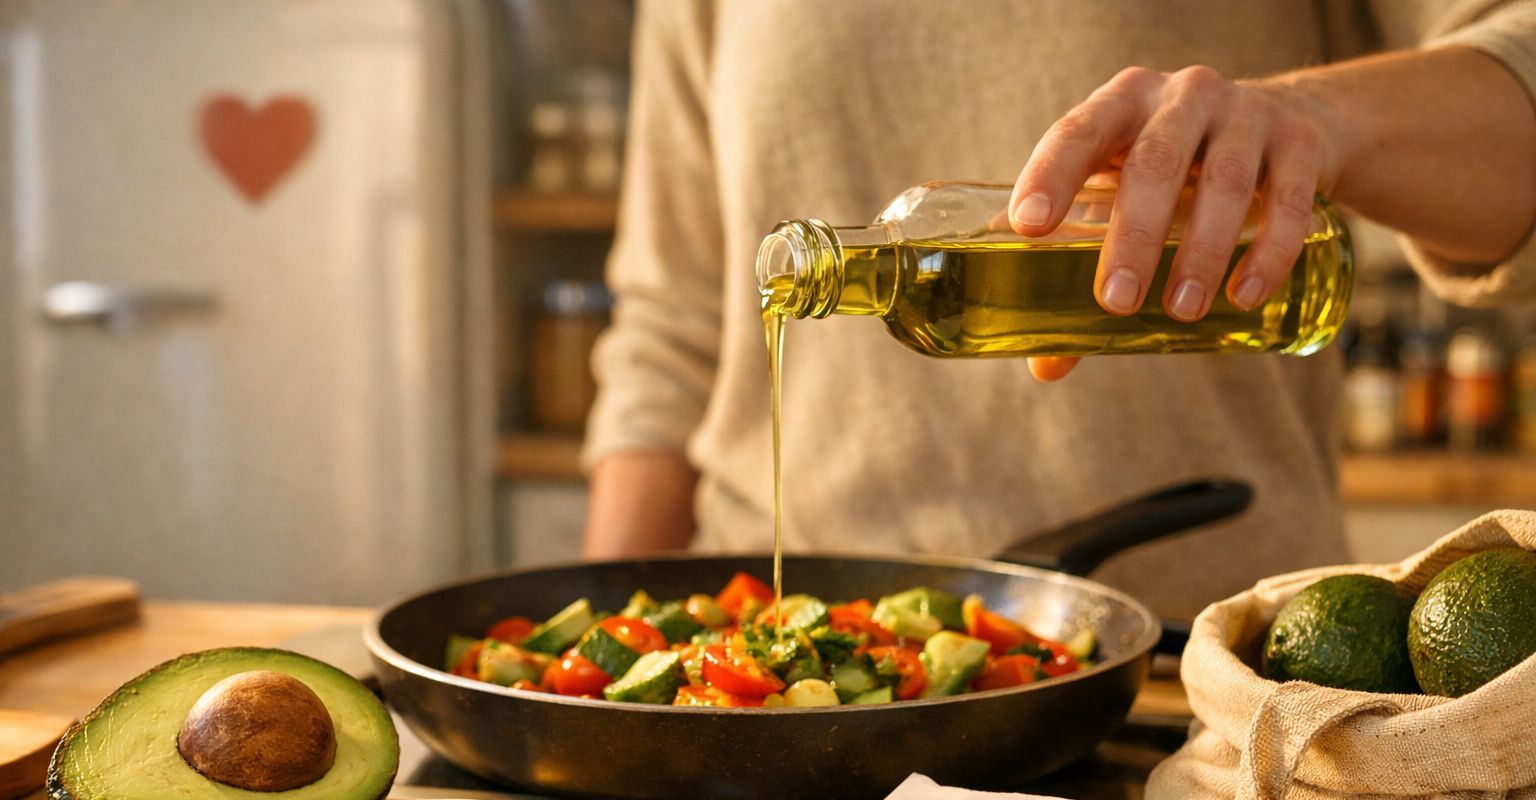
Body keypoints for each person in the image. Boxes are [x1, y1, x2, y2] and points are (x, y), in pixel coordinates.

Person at [580, 0, 1536, 619]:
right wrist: (584, 677)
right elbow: (672, 327)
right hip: (781, 656)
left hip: (1197, 665)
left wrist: (1322, 120)